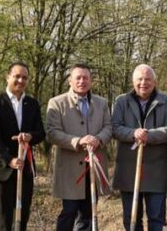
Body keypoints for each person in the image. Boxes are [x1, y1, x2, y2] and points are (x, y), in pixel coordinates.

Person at [112, 64, 167, 231]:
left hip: (156, 169)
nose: (143, 83)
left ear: (154, 82)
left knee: (156, 219)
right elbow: (114, 127)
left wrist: (149, 135)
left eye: (148, 79)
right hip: (128, 168)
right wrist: (134, 133)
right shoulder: (121, 101)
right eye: (139, 79)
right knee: (132, 219)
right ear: (133, 82)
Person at [47, 63, 113, 231]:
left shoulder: (102, 103)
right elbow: (53, 133)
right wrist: (78, 141)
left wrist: (98, 139)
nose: (82, 81)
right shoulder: (56, 103)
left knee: (88, 213)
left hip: (94, 166)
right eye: (78, 78)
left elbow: (108, 127)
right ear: (70, 80)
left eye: (86, 78)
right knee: (68, 211)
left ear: (91, 81)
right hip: (70, 169)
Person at [0, 62, 46, 231]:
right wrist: (9, 160)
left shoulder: (32, 104)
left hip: (25, 169)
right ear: (7, 77)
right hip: (2, 169)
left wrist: (30, 136)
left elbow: (41, 132)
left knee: (22, 219)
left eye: (24, 77)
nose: (20, 80)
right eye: (17, 76)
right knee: (4, 220)